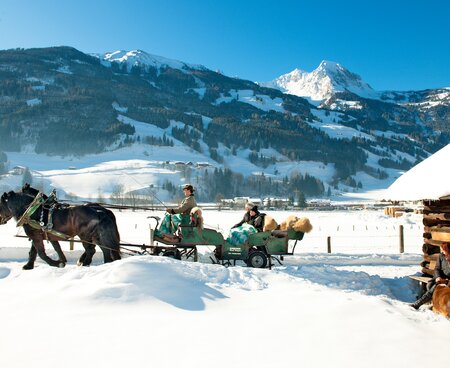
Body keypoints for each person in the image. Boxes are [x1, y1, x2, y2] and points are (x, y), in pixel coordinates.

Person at [411, 242, 450, 309]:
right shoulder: (441, 256)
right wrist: (438, 277)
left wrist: (448, 280)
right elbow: (437, 268)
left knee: (434, 287)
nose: (442, 252)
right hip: (441, 278)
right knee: (432, 285)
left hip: (448, 280)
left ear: (448, 250)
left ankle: (419, 304)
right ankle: (419, 303)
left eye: (443, 250)